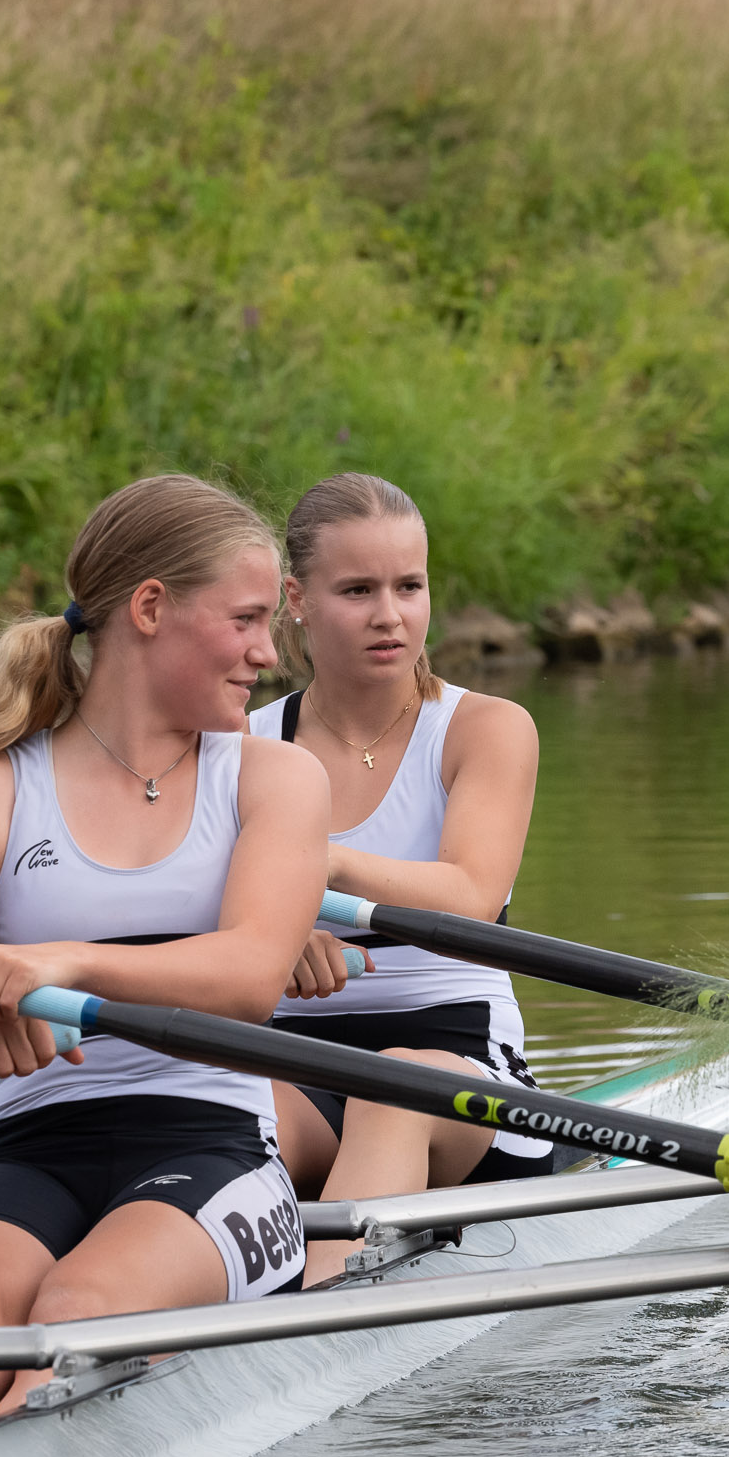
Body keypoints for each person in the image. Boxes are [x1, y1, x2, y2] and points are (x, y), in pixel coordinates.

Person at [0, 475, 330, 1449]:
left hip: (208, 1146)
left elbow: (251, 975)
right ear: (149, 609)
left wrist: (57, 963)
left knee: (79, 1299)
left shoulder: (272, 776)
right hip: (27, 1148)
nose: (270, 654)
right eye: (248, 618)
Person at [248, 472, 547, 1287]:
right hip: (285, 1053)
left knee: (394, 1093)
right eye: (358, 589)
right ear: (295, 599)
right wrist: (274, 929)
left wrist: (318, 865)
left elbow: (472, 892)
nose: (391, 614)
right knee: (222, 1118)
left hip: (456, 1062)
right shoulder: (241, 746)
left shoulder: (484, 729)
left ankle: (310, 1315)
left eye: (409, 585)